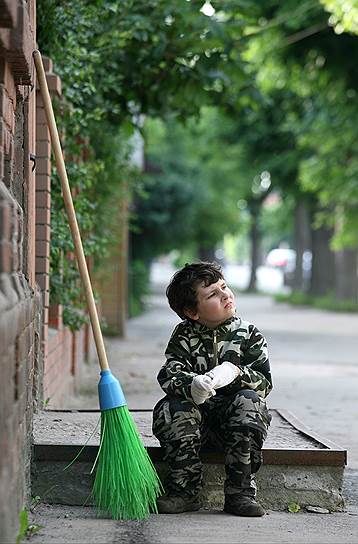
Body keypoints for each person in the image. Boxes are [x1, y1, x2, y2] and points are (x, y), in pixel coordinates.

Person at [152, 261, 273, 517]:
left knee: (250, 402)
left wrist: (234, 374)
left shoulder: (248, 334)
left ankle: (239, 494)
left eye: (224, 287)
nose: (225, 295)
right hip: (195, 424)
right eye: (213, 295)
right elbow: (169, 373)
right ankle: (185, 492)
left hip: (235, 425)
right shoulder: (184, 335)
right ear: (193, 312)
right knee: (170, 407)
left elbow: (264, 383)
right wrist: (192, 385)